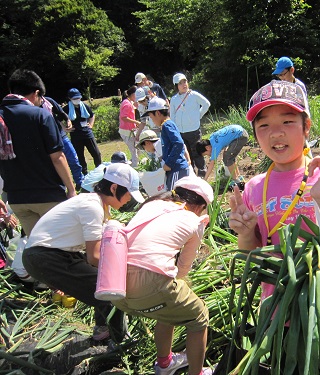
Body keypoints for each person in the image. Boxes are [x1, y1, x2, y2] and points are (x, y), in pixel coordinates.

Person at [228, 80, 320, 374]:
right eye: (263, 126)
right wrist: (245, 232)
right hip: (281, 309)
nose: (275, 133)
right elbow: (254, 256)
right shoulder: (255, 188)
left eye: (288, 121)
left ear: (307, 127)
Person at [22, 163, 144, 342]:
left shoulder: (94, 203)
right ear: (114, 187)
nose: (128, 200)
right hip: (45, 257)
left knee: (102, 285)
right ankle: (121, 341)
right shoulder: (91, 207)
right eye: (128, 195)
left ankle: (102, 330)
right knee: (112, 293)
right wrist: (128, 268)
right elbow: (94, 257)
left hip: (48, 255)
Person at [112, 175, 214, 375]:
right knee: (199, 317)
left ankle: (165, 364)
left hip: (116, 286)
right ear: (199, 206)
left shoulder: (151, 206)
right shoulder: (193, 219)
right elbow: (183, 267)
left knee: (169, 311)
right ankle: (197, 373)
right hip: (149, 283)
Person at [0, 69, 76, 236]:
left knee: (39, 249)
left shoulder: (1, 117)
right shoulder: (40, 115)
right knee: (61, 247)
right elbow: (57, 157)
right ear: (36, 93)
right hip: (48, 194)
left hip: (17, 199)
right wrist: (71, 189)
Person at [170, 73, 211, 177]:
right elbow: (172, 115)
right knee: (186, 153)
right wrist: (175, 128)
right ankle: (191, 172)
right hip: (181, 132)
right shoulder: (174, 99)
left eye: (185, 81)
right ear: (176, 86)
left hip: (193, 130)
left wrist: (198, 116)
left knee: (197, 151)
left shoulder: (194, 95)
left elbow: (206, 104)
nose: (184, 84)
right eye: (180, 83)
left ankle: (202, 171)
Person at [145, 96, 190, 190]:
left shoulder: (167, 125)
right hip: (176, 169)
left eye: (151, 117)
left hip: (176, 168)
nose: (152, 120)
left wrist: (169, 163)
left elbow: (178, 143)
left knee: (174, 199)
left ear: (157, 113)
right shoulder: (167, 124)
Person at [41, 96, 85, 190]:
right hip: (46, 140)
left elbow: (61, 113)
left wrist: (68, 121)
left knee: (74, 160)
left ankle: (80, 183)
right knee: (54, 165)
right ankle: (62, 187)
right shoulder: (30, 107)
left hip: (61, 135)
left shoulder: (48, 101)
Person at [63, 88, 102, 175]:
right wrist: (65, 128)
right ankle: (84, 174)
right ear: (70, 98)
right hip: (76, 136)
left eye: (78, 98)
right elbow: (57, 120)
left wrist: (91, 125)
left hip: (87, 134)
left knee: (97, 154)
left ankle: (99, 172)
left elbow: (92, 115)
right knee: (80, 157)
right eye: (74, 99)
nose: (77, 100)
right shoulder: (66, 109)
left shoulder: (84, 106)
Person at [119, 86, 141, 167]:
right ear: (132, 94)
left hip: (130, 130)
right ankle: (135, 168)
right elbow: (124, 117)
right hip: (126, 132)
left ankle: (134, 164)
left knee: (138, 150)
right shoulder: (127, 103)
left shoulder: (128, 102)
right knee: (134, 152)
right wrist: (136, 122)